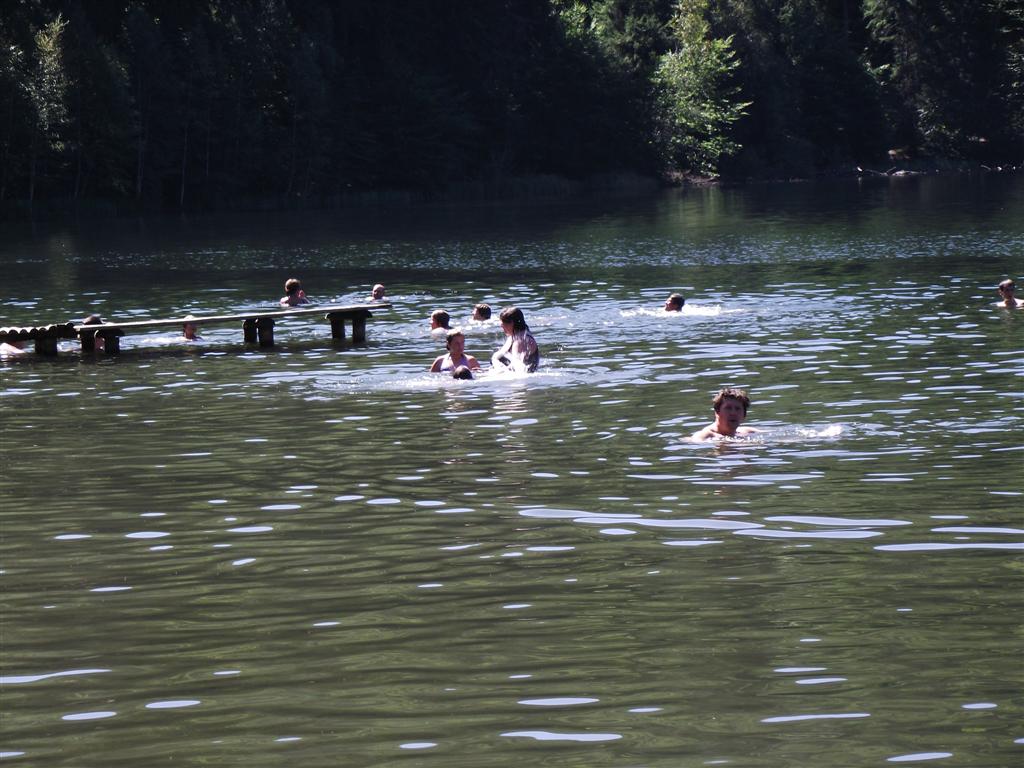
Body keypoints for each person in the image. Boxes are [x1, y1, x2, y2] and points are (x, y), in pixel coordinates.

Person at [691, 387, 758, 441]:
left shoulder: (747, 432)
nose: (733, 413)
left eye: (738, 409)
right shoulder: (705, 435)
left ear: (744, 415)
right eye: (728, 408)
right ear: (717, 411)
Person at [492, 306, 539, 373]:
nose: (501, 325)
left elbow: (519, 368)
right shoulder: (514, 337)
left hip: (519, 381)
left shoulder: (520, 341)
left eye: (503, 322)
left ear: (512, 323)